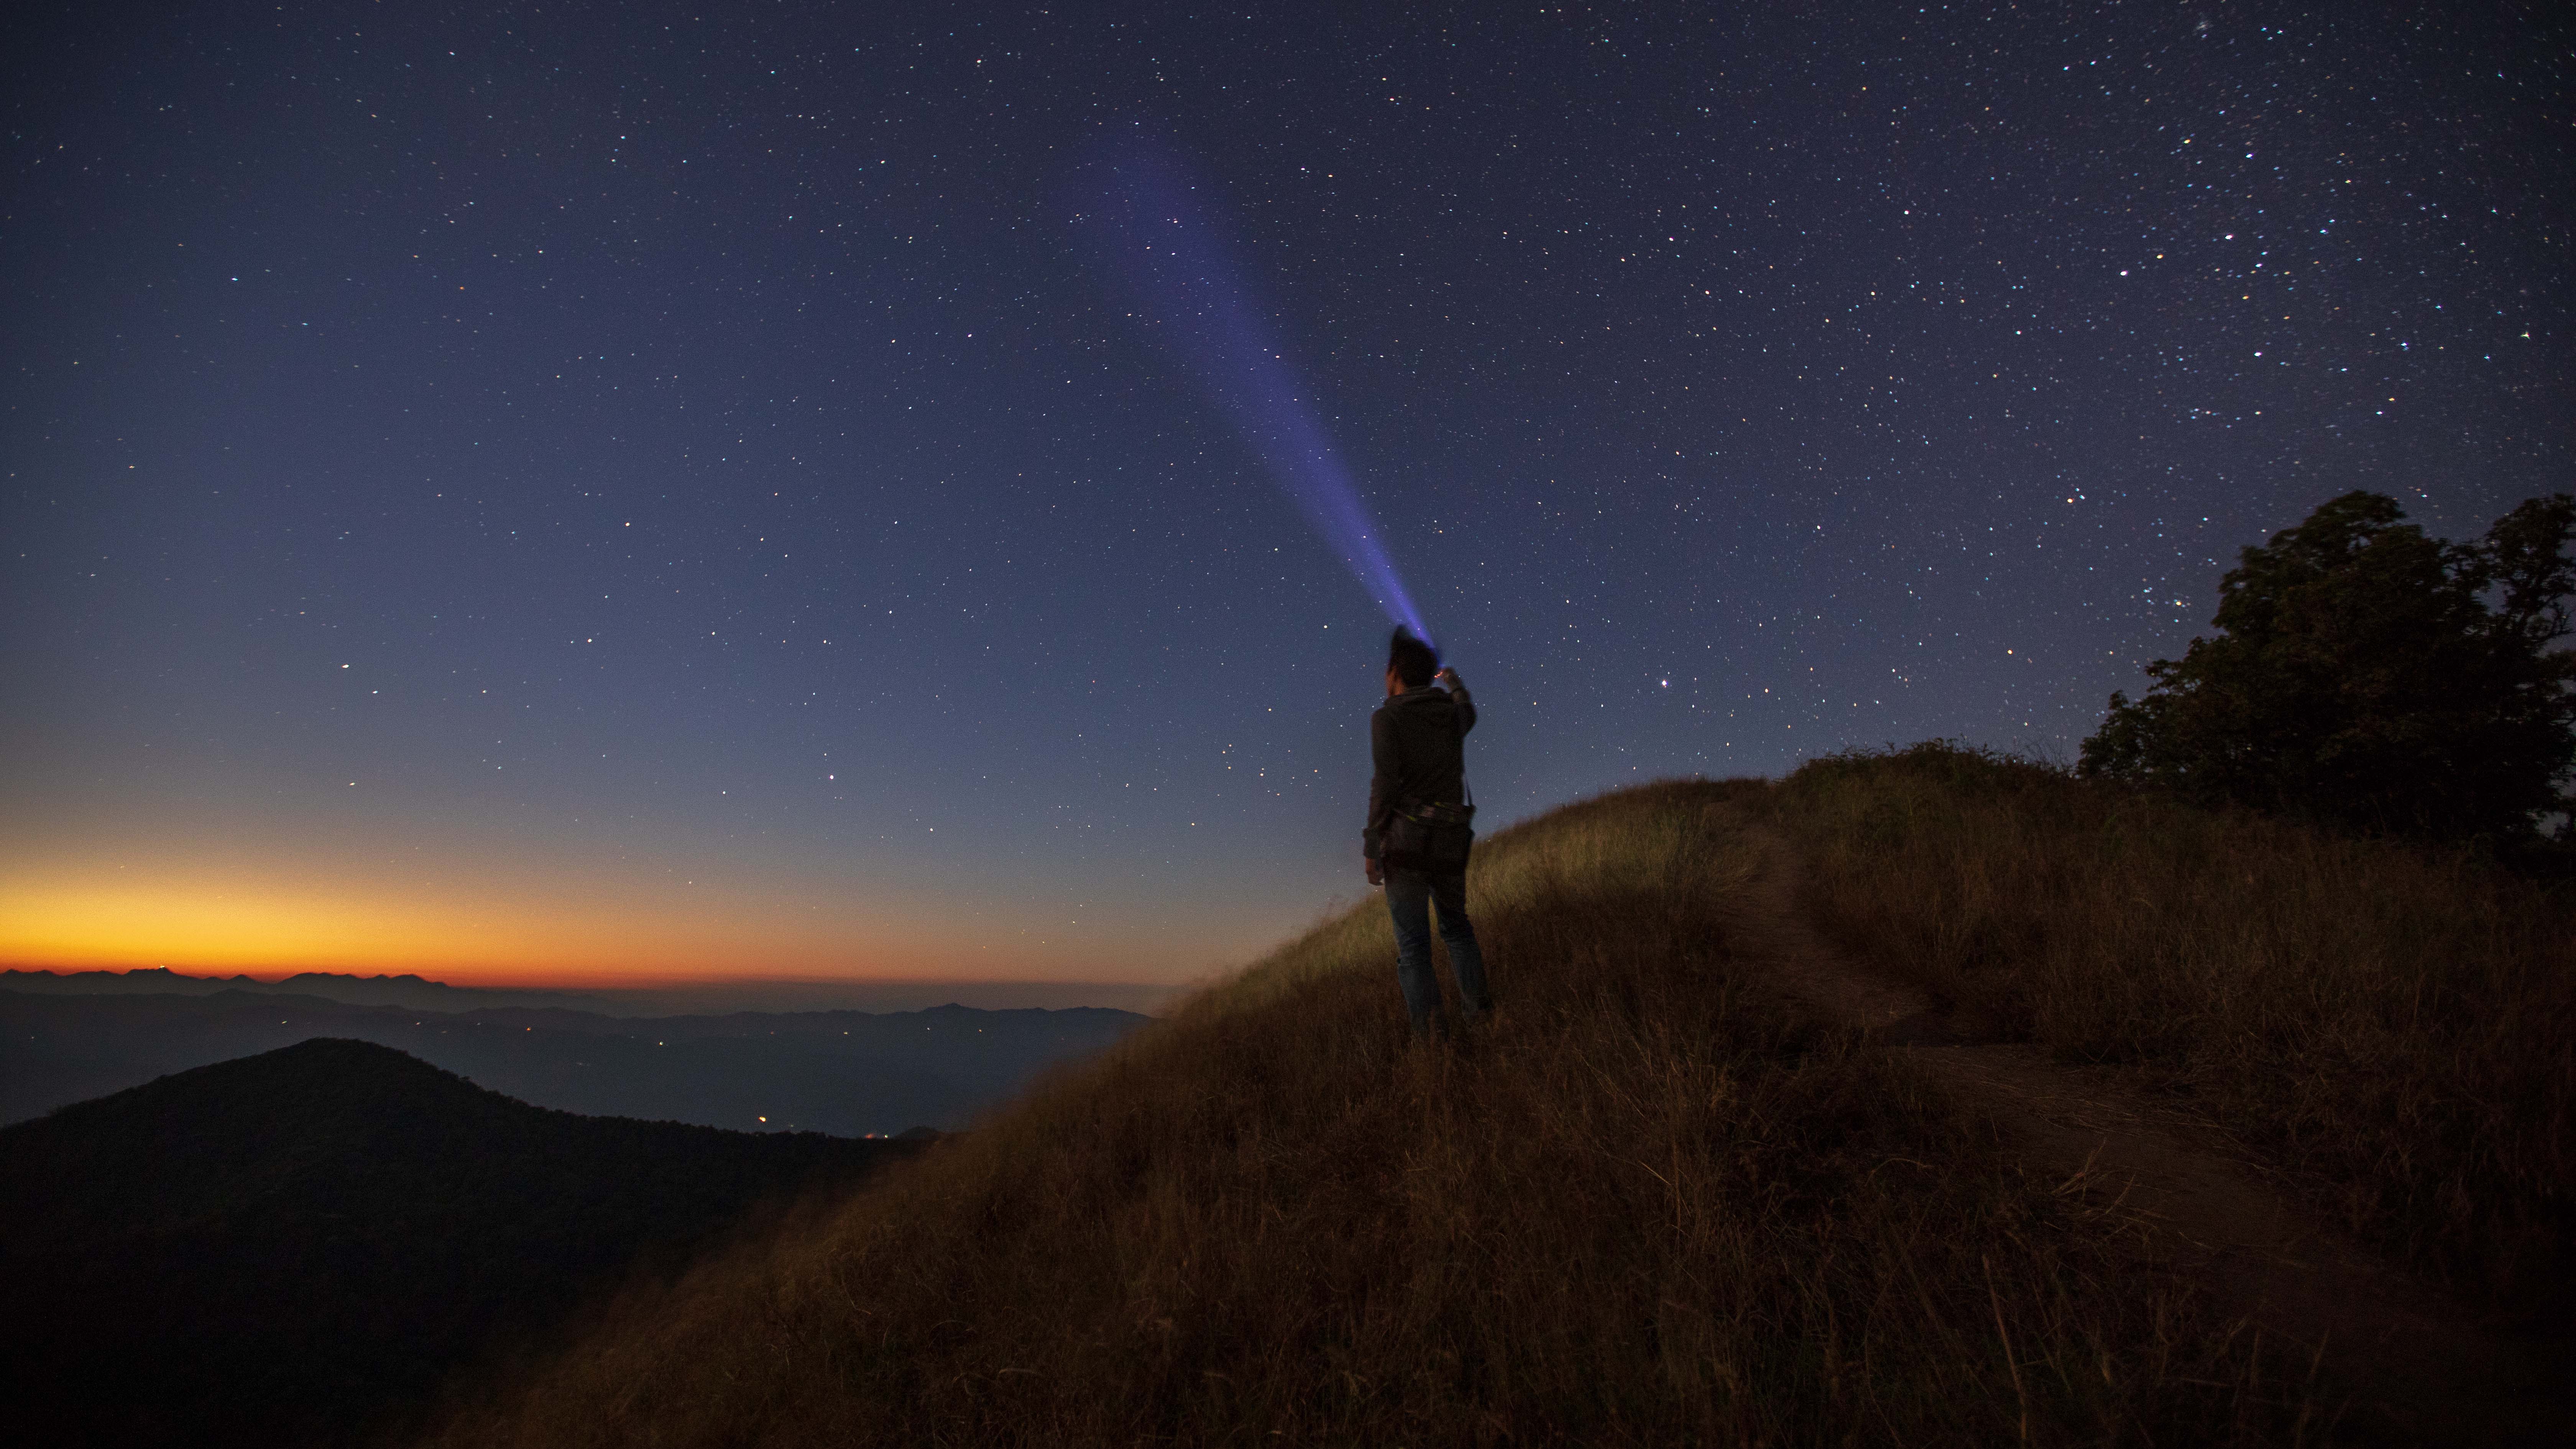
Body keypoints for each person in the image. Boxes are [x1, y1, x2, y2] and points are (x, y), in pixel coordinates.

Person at [1362, 628, 1493, 1038]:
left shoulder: (1387, 718)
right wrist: (1452, 680)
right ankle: (1482, 1019)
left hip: (1407, 843)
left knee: (1415, 948)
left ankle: (1434, 1043)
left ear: (1395, 672)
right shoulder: (1451, 717)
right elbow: (1468, 710)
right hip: (1452, 838)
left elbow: (1385, 784)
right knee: (1457, 929)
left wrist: (1371, 844)